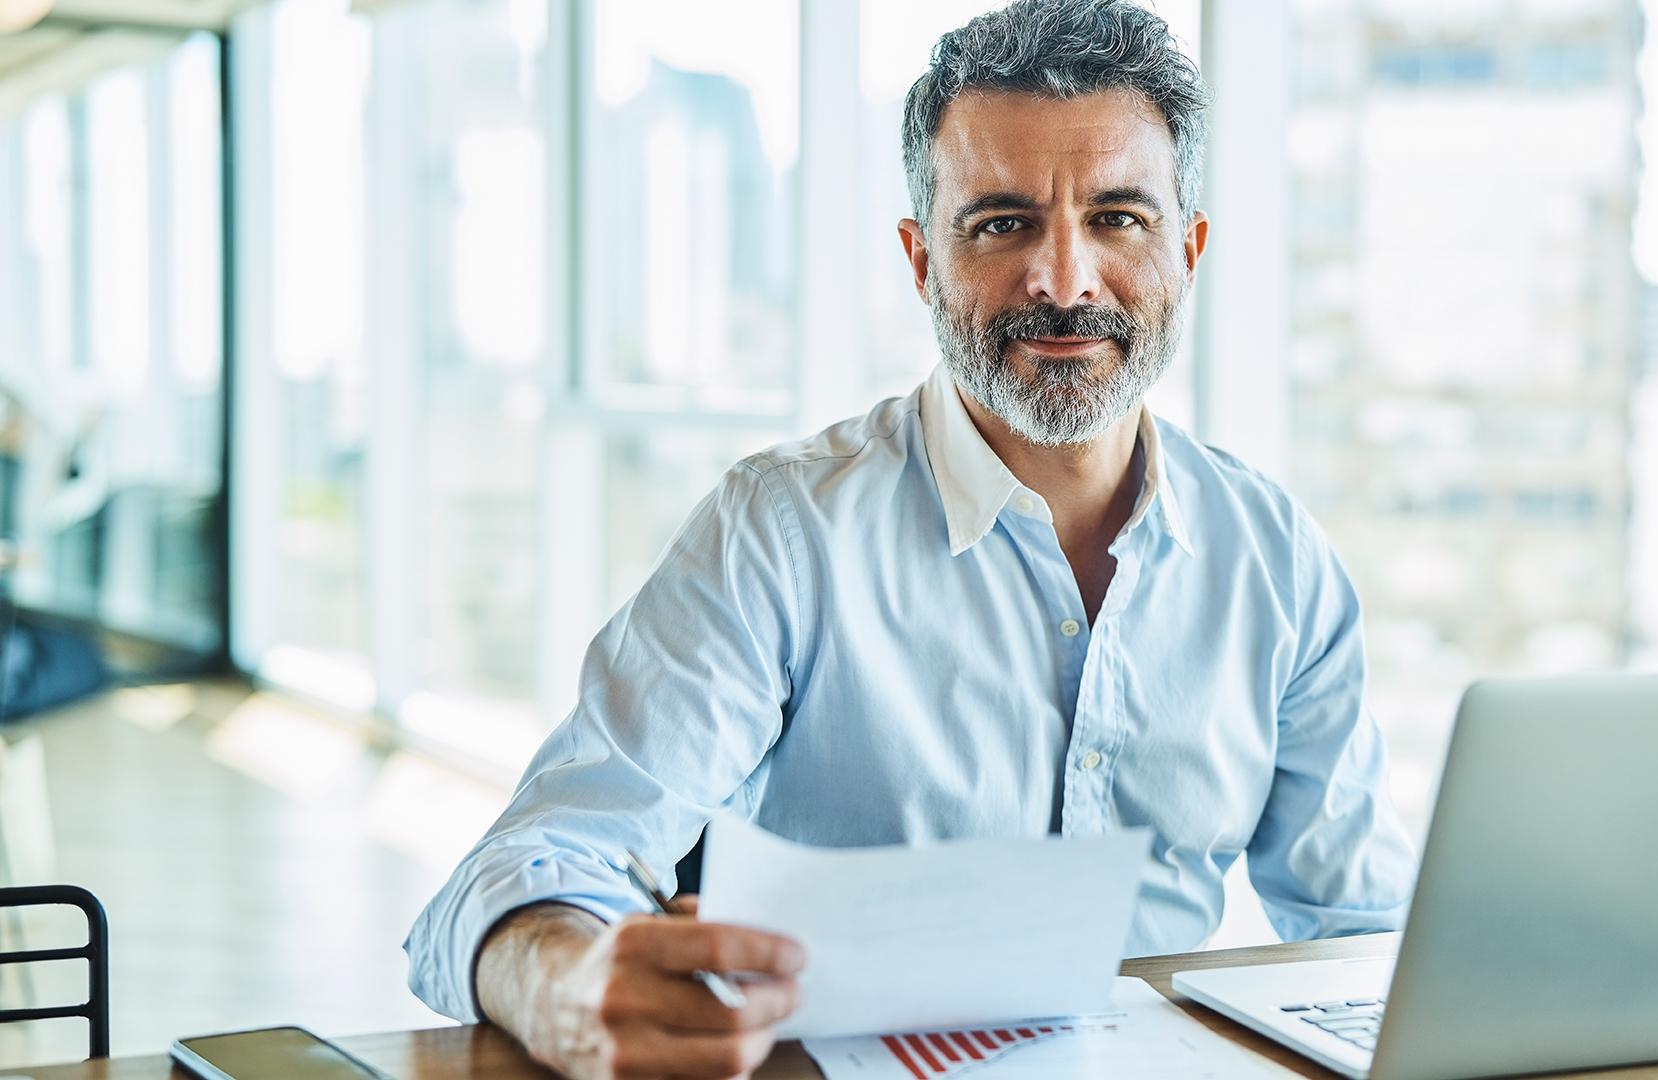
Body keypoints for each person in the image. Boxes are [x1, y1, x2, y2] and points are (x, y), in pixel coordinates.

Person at [405, 2, 1415, 1076]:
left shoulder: (1278, 559)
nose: (1064, 281)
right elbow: (534, 862)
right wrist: (558, 980)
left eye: (1119, 218)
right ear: (921, 260)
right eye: (1001, 223)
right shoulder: (782, 533)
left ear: (1191, 250)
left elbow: (1366, 932)